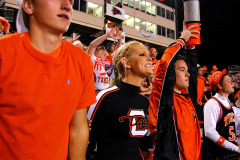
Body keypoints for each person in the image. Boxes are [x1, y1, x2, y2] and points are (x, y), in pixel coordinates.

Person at [0, 0, 96, 160]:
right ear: (29, 5)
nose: (67, 5)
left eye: (71, 1)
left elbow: (78, 129)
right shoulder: (4, 52)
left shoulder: (81, 61)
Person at [87, 41, 153, 160]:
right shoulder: (105, 97)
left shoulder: (144, 101)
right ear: (126, 63)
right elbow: (87, 143)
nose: (150, 58)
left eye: (149, 55)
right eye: (143, 55)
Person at [149, 23, 201, 160]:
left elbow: (193, 72)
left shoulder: (187, 97)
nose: (188, 74)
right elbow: (165, 65)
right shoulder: (163, 101)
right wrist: (182, 39)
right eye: (182, 70)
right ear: (171, 74)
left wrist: (190, 46)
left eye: (187, 71)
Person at [202, 69, 240, 159]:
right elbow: (209, 132)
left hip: (227, 152)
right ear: (220, 86)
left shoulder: (227, 101)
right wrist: (234, 147)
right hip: (216, 155)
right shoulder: (213, 103)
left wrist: (234, 143)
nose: (232, 83)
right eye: (228, 81)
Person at [87, 27, 122, 92]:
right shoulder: (92, 58)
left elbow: (118, 51)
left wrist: (119, 40)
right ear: (95, 51)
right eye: (100, 48)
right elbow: (92, 45)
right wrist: (107, 35)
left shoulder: (108, 59)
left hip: (107, 91)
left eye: (104, 49)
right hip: (95, 91)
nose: (103, 50)